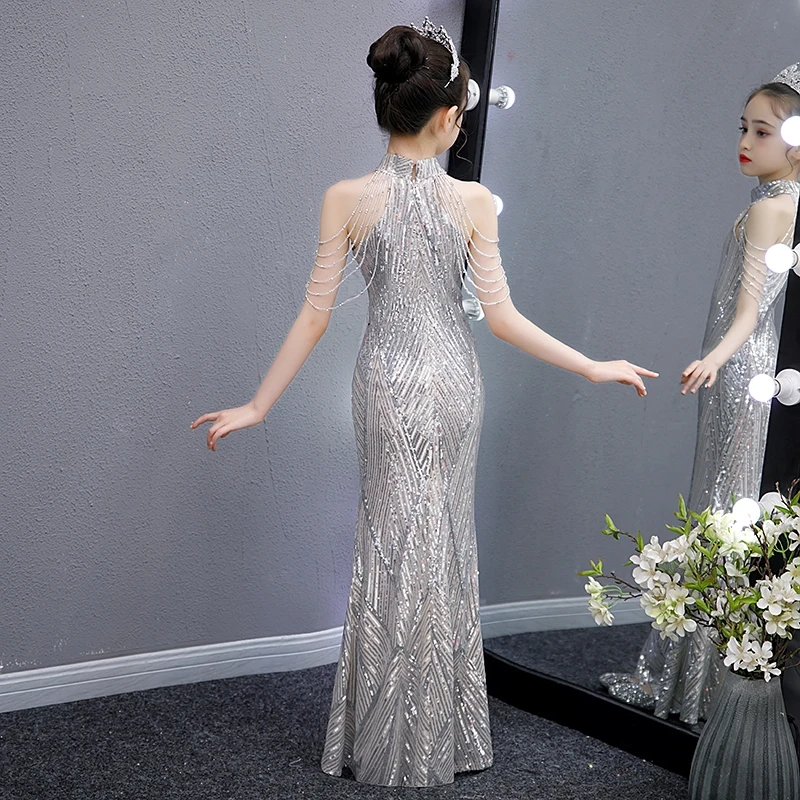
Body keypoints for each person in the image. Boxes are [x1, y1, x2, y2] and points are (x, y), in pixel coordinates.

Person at [191, 19, 656, 787]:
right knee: (441, 541)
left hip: (383, 382)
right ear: (447, 118)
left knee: (388, 543)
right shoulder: (474, 202)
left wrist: (258, 405)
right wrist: (590, 365)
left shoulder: (344, 197)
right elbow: (502, 318)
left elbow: (314, 314)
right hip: (451, 384)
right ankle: (442, 734)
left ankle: (384, 736)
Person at [601, 65, 800, 726]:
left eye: (761, 130)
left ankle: (699, 683)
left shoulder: (768, 208)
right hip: (760, 373)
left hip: (742, 374)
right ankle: (728, 672)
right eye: (743, 127)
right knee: (738, 507)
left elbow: (745, 313)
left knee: (724, 505)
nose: (744, 141)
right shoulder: (787, 203)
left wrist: (712, 358)